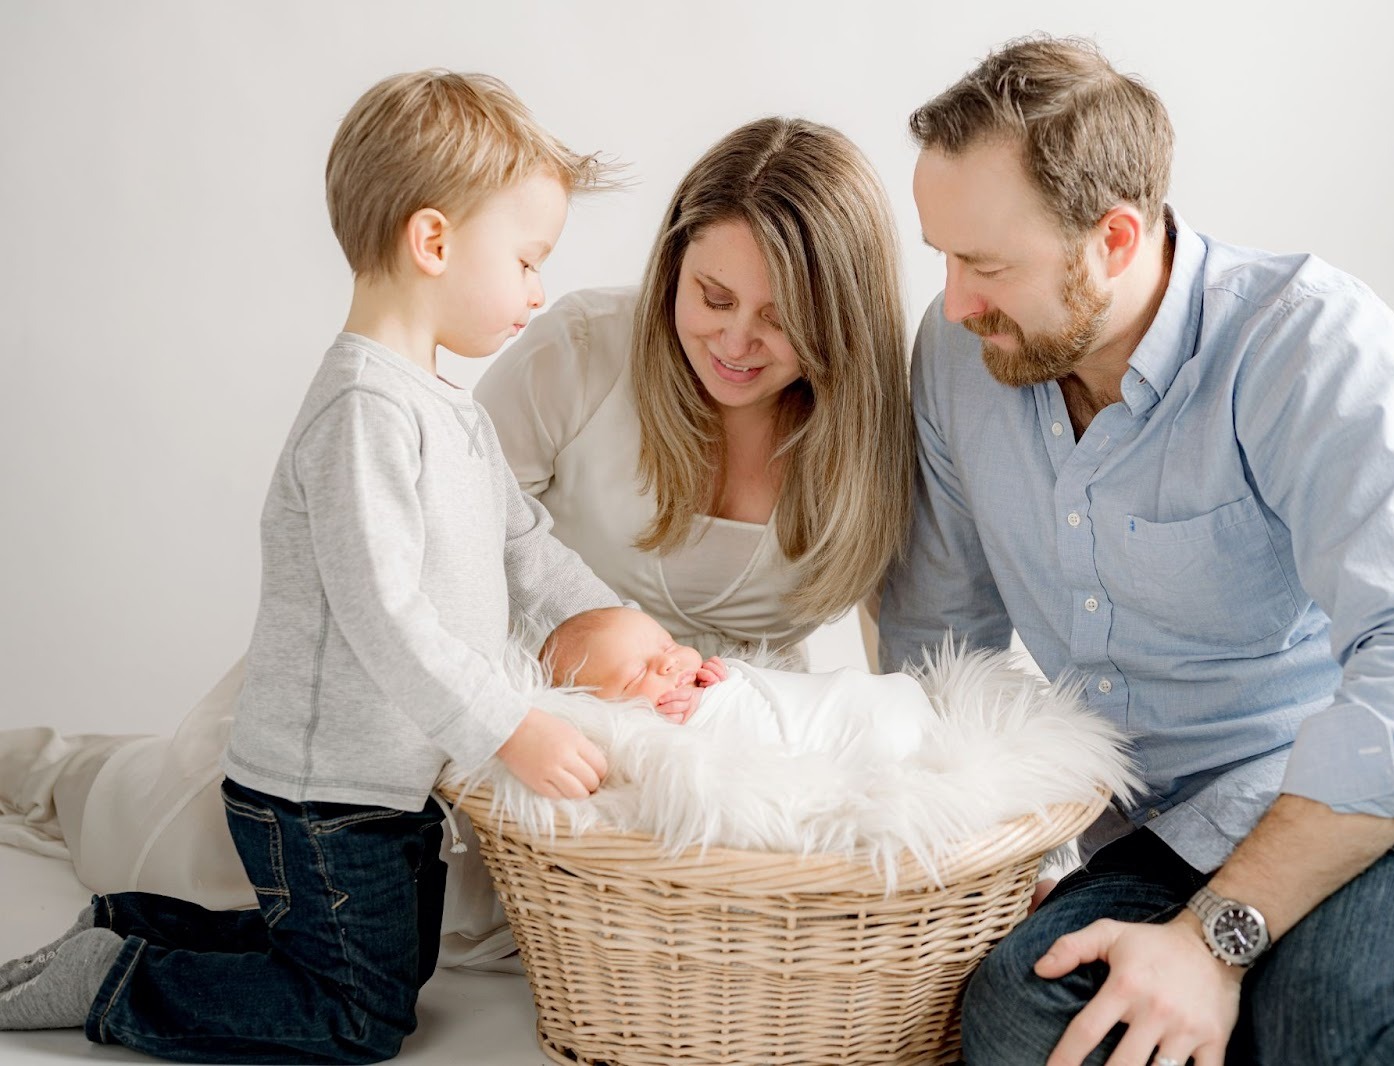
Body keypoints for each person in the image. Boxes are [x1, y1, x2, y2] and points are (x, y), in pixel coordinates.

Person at [0, 116, 913, 972]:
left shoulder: (873, 433)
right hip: (468, 687)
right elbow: (458, 542)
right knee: (194, 851)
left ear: (840, 322)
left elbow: (907, 624)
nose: (737, 341)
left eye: (782, 319)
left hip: (690, 739)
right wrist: (512, 715)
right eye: (714, 296)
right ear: (674, 261)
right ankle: (57, 771)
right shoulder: (586, 349)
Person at [878, 35, 1394, 1066]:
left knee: (1351, 1038)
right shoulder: (960, 356)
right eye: (940, 257)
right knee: (1028, 1017)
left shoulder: (1309, 344)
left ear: (1114, 239)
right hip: (1174, 831)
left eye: (986, 266)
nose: (953, 302)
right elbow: (936, 643)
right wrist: (996, 870)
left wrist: (1218, 941)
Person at [0, 71, 621, 1060]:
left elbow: (525, 545)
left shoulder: (448, 410)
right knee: (359, 1015)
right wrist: (509, 726)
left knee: (373, 961)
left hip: (387, 779)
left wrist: (626, 631)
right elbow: (383, 610)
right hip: (321, 787)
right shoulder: (361, 412)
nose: (538, 290)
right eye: (528, 259)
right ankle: (121, 981)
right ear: (433, 242)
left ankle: (134, 924)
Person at [541, 606, 936, 760]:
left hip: (852, 701)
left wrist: (723, 682)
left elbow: (757, 690)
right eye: (637, 674)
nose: (668, 663)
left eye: (667, 644)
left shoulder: (704, 682)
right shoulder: (634, 746)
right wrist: (700, 716)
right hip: (853, 743)